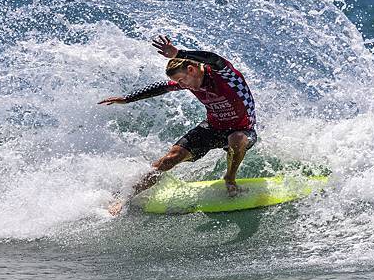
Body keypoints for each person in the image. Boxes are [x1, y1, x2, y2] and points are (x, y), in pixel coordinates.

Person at [98, 36, 257, 215]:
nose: (180, 85)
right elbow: (161, 87)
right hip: (213, 128)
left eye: (181, 80)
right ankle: (124, 197)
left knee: (236, 138)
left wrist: (179, 53)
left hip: (243, 130)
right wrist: (128, 98)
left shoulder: (224, 75)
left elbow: (214, 58)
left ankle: (230, 178)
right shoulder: (189, 82)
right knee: (169, 159)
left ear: (191, 69)